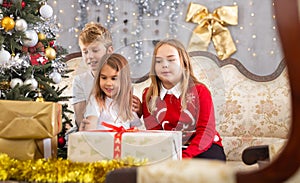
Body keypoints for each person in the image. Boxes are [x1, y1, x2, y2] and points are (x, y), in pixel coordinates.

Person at [142, 39, 226, 161]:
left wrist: (184, 157)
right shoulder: (149, 96)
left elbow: (206, 132)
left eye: (171, 60)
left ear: (184, 63)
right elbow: (156, 135)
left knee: (206, 164)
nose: (165, 65)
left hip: (204, 147)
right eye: (159, 61)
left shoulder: (200, 91)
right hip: (173, 148)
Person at [71, 23, 141, 128]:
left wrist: (139, 110)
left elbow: (131, 118)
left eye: (95, 50)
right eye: (85, 52)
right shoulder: (80, 81)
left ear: (109, 51)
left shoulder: (122, 78)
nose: (89, 56)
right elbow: (81, 120)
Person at [80, 53, 142, 131]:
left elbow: (135, 129)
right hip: (101, 141)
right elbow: (91, 124)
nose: (108, 83)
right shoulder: (96, 100)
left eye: (113, 78)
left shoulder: (128, 102)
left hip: (122, 141)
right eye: (104, 78)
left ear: (124, 80)